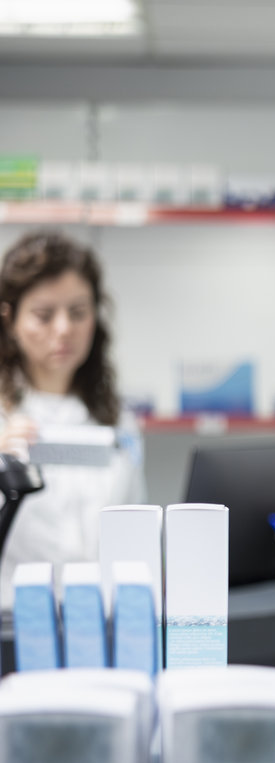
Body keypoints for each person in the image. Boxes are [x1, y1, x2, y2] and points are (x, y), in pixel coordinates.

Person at [0, 231, 145, 605]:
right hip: (16, 619)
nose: (64, 329)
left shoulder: (118, 421)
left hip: (102, 616)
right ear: (10, 318)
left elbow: (136, 532)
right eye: (44, 315)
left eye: (78, 313)